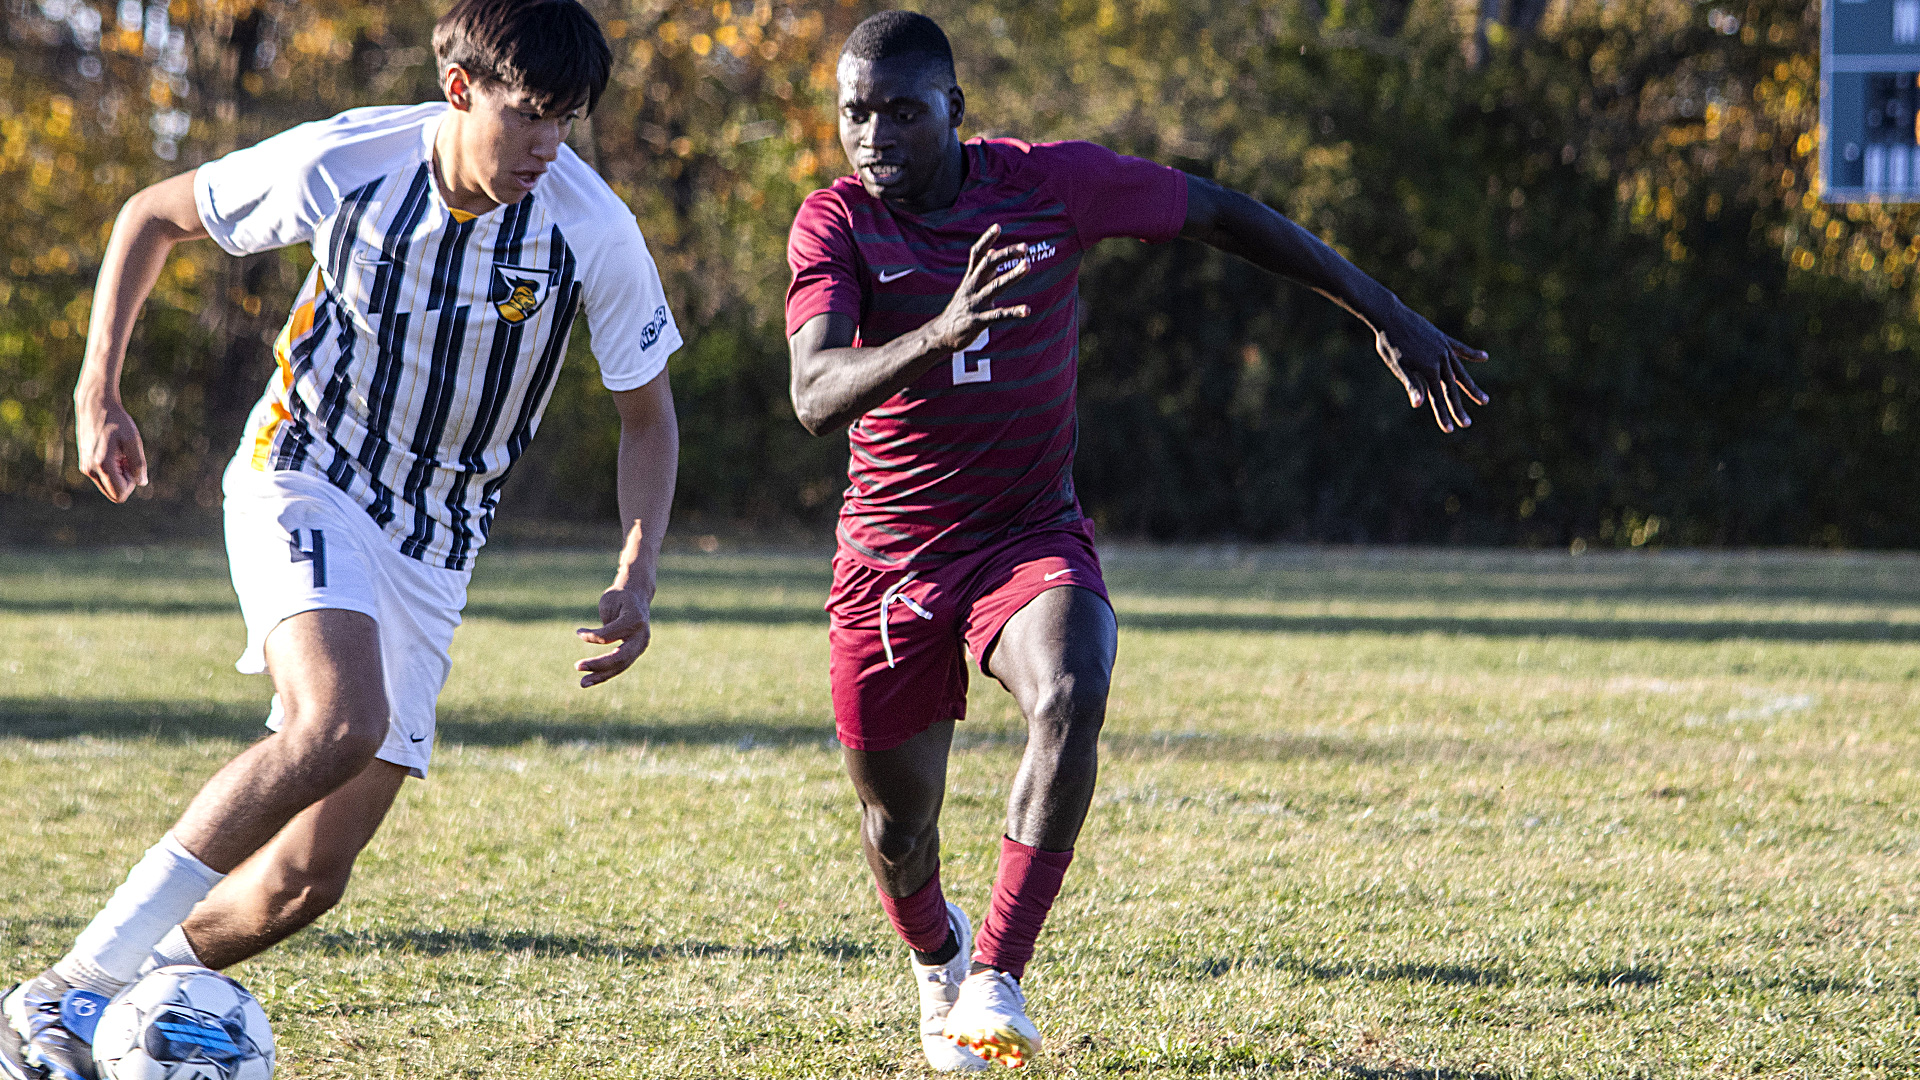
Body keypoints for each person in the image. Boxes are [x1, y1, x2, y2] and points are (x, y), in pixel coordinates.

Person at [784, 10, 1489, 1071]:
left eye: (902, 112)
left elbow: (1221, 215)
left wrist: (1381, 309)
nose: (875, 135)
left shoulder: (1047, 185)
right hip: (891, 558)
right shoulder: (834, 223)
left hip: (1027, 533)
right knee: (897, 830)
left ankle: (997, 978)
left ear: (955, 111)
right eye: (856, 114)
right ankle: (941, 954)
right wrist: (941, 332)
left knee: (1072, 687)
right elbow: (813, 393)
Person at [3, 2, 681, 1077]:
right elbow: (150, 215)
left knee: (306, 881)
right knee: (338, 721)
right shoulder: (349, 160)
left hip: (437, 546)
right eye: (530, 116)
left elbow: (649, 416)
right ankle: (64, 992)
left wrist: (637, 572)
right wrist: (100, 390)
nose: (550, 146)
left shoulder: (588, 229)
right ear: (461, 91)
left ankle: (118, 1003)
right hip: (303, 475)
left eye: (569, 123)